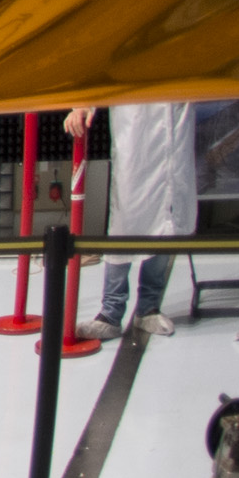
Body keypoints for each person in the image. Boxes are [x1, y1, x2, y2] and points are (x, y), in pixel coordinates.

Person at [68, 101, 191, 338]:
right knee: (125, 221)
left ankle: (149, 308)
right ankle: (111, 313)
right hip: (136, 134)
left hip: (176, 123)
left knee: (166, 218)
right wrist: (82, 105)